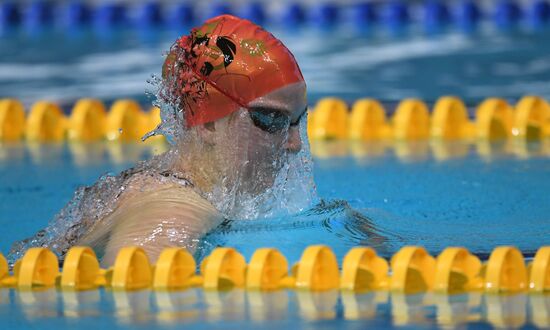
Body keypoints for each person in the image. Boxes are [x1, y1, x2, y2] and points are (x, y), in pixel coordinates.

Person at [8, 15, 314, 266]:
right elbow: (134, 300)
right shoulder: (175, 214)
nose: (295, 143)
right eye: (273, 121)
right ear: (207, 123)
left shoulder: (167, 181)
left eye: (299, 120)